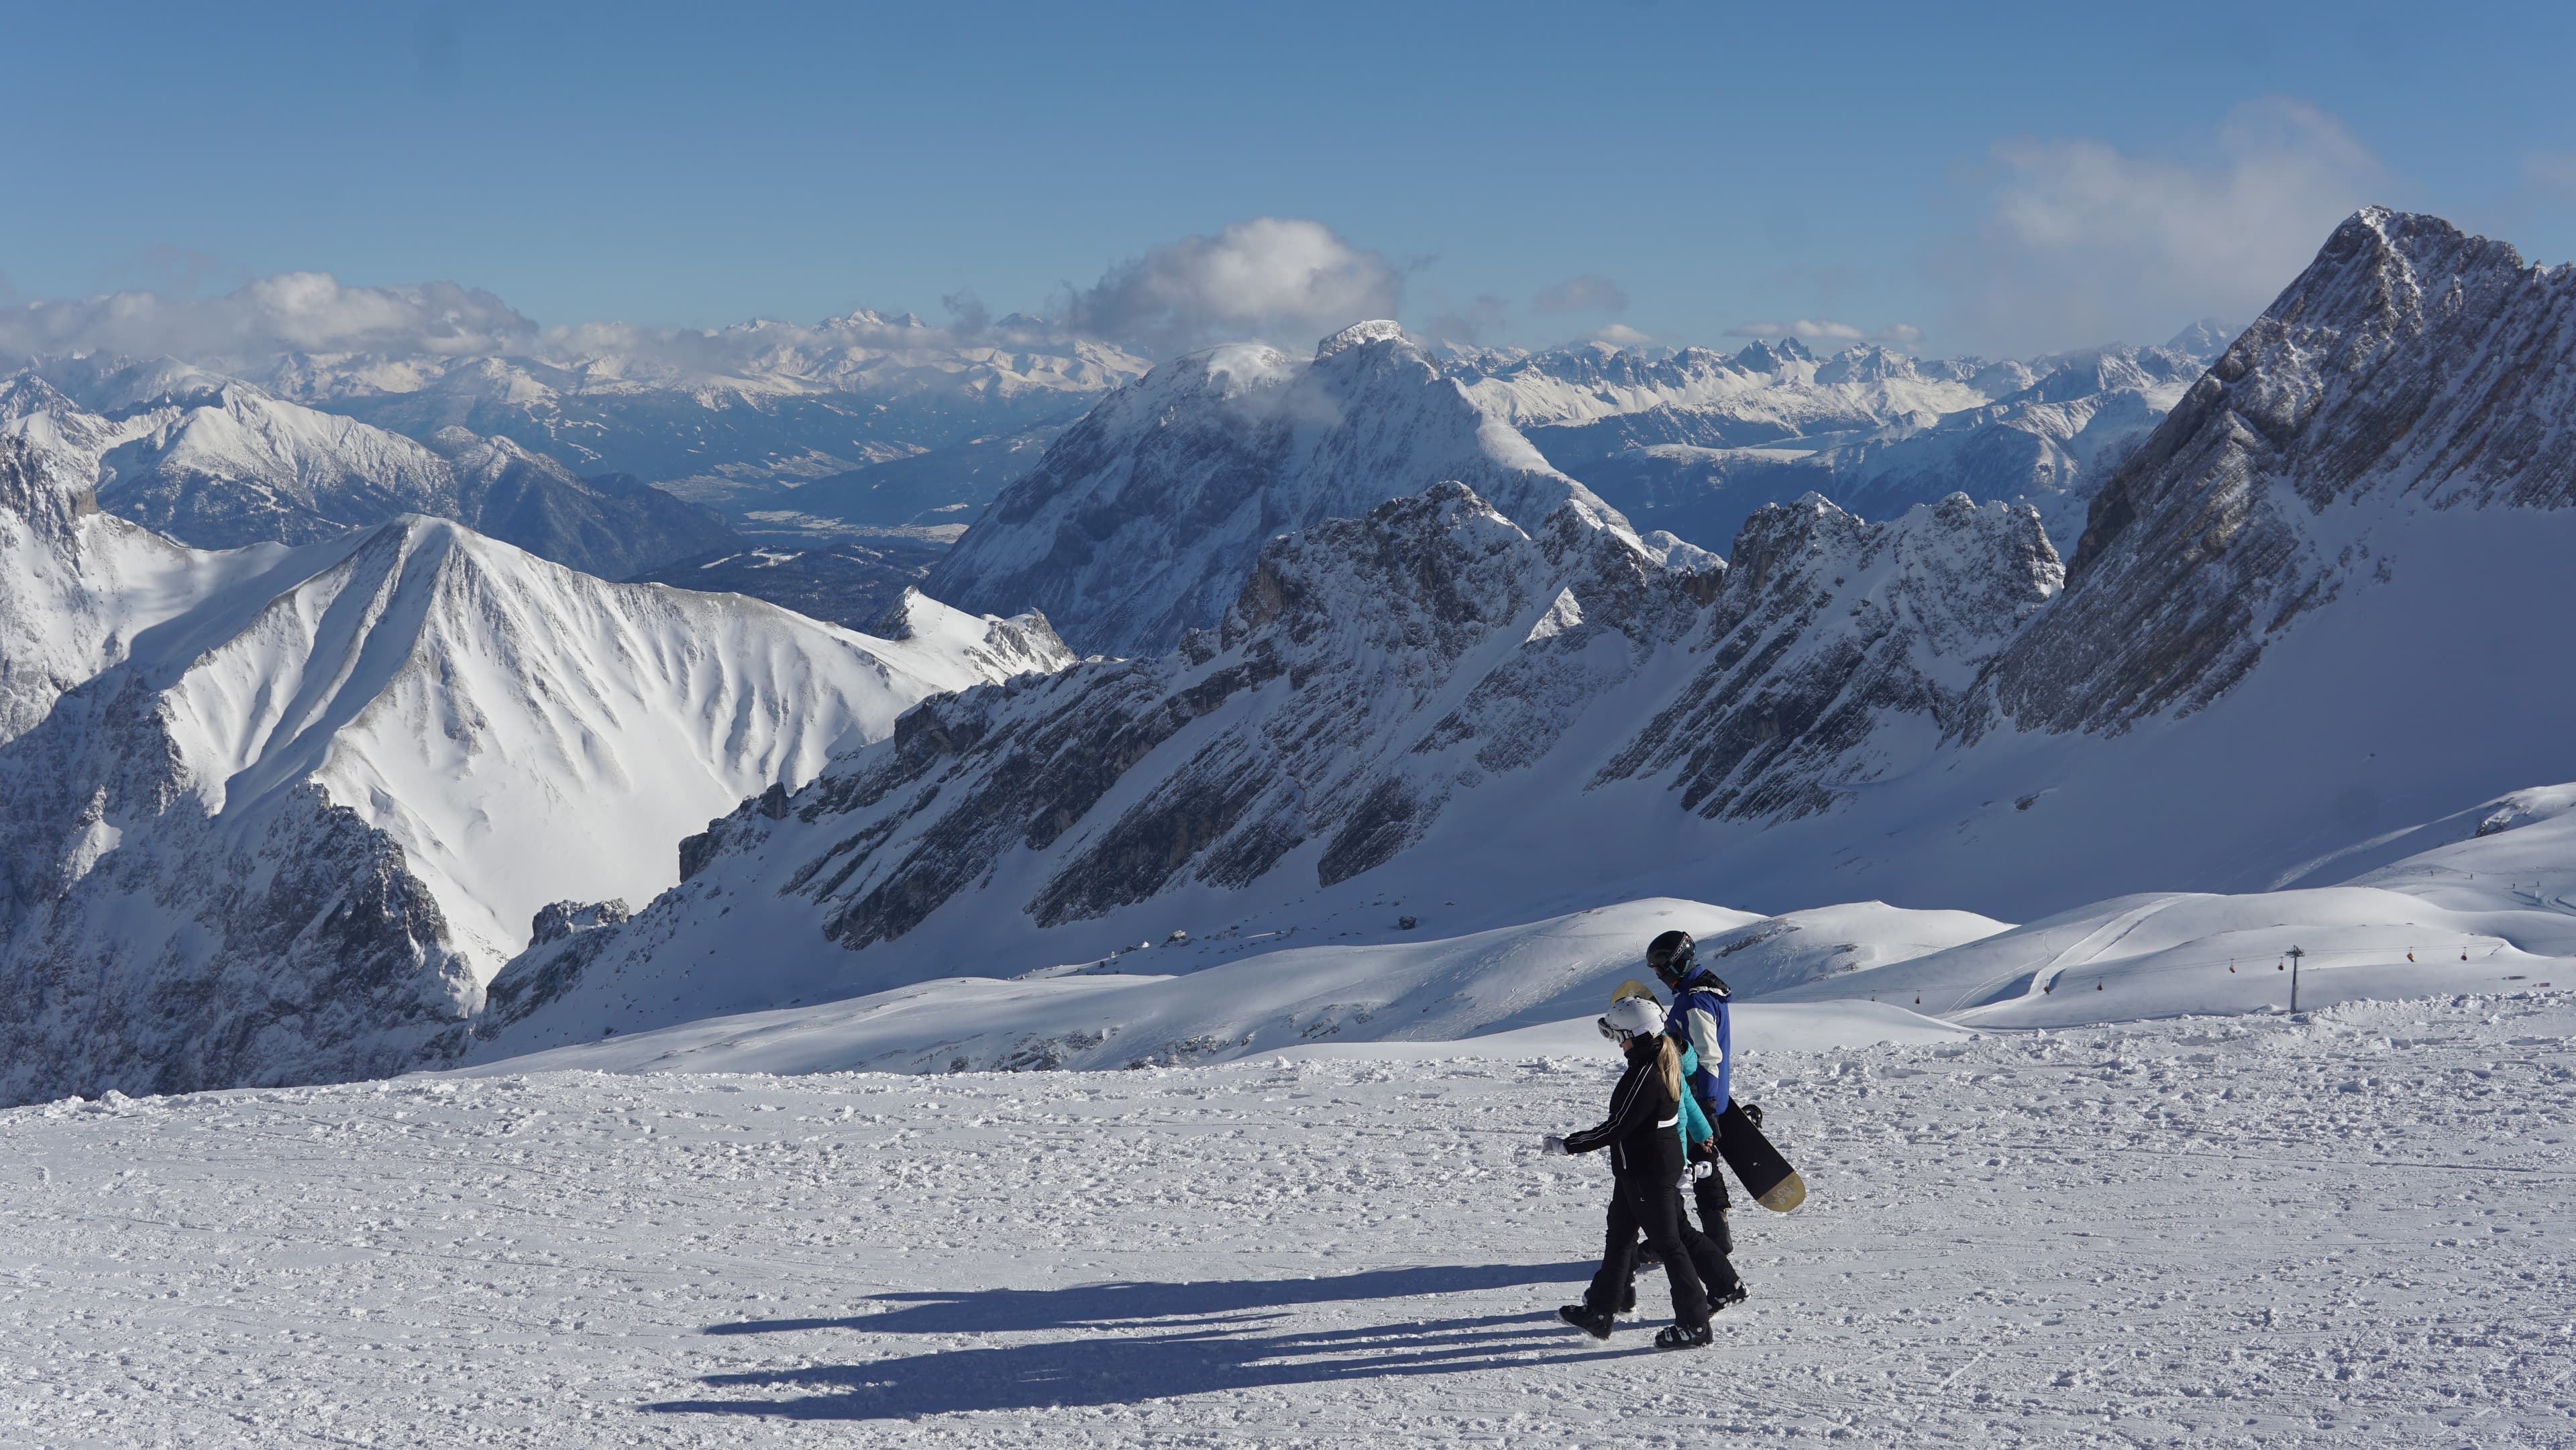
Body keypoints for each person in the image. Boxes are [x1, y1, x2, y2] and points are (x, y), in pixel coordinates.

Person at [1543, 996, 1731, 1350]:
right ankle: (1600, 1312)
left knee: (1671, 1246)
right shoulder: (1660, 1060)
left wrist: (1569, 1145)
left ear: (1640, 1034)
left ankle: (1695, 1326)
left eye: (1623, 1036)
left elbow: (1618, 1127)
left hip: (1649, 1173)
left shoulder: (1646, 1074)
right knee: (1619, 1239)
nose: (1621, 1043)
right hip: (1640, 1170)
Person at [1649, 929, 1737, 1248]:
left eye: (1660, 965)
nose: (1657, 973)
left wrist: (1708, 1105)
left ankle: (1678, 1241)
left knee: (1679, 1166)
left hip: (1697, 1098)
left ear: (1677, 962)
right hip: (1701, 1095)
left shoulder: (1695, 1000)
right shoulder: (1699, 993)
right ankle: (1716, 1236)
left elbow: (1709, 1055)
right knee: (1704, 1165)